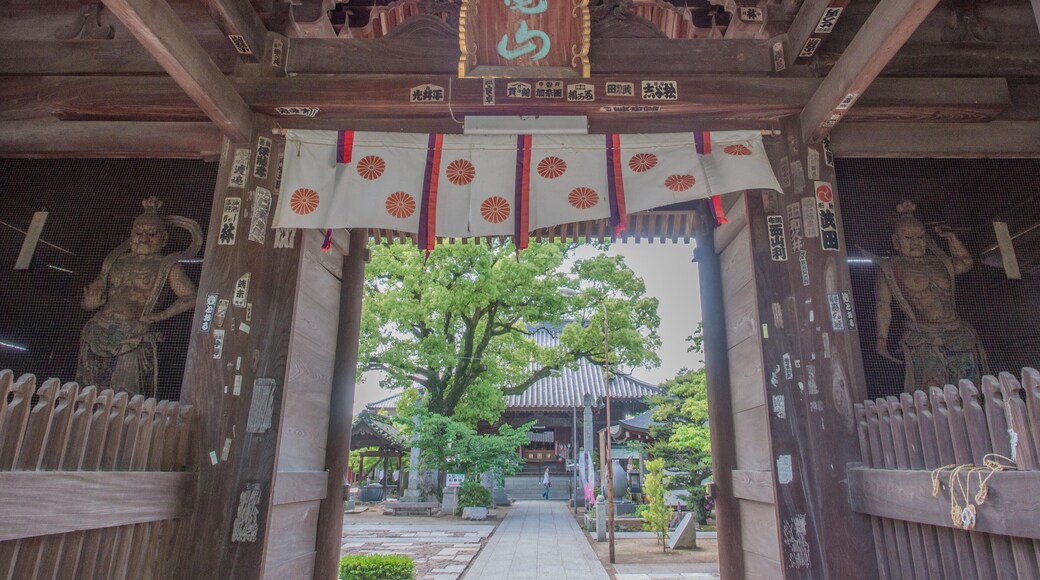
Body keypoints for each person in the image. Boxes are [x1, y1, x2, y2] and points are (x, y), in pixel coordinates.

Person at [78, 197, 199, 396]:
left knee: (124, 397)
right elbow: (91, 294)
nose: (143, 239)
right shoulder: (114, 261)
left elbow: (191, 297)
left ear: (164, 238)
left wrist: (160, 316)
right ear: (131, 234)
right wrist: (89, 304)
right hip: (98, 331)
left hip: (132, 336)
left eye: (151, 234)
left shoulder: (168, 266)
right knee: (86, 393)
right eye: (138, 233)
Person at [874, 200, 986, 393]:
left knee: (970, 391)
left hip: (958, 333)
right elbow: (883, 304)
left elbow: (966, 262)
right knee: (932, 394)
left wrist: (951, 238)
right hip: (923, 337)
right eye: (908, 238)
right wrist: (881, 341)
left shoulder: (941, 263)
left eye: (920, 237)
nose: (916, 242)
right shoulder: (891, 267)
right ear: (896, 242)